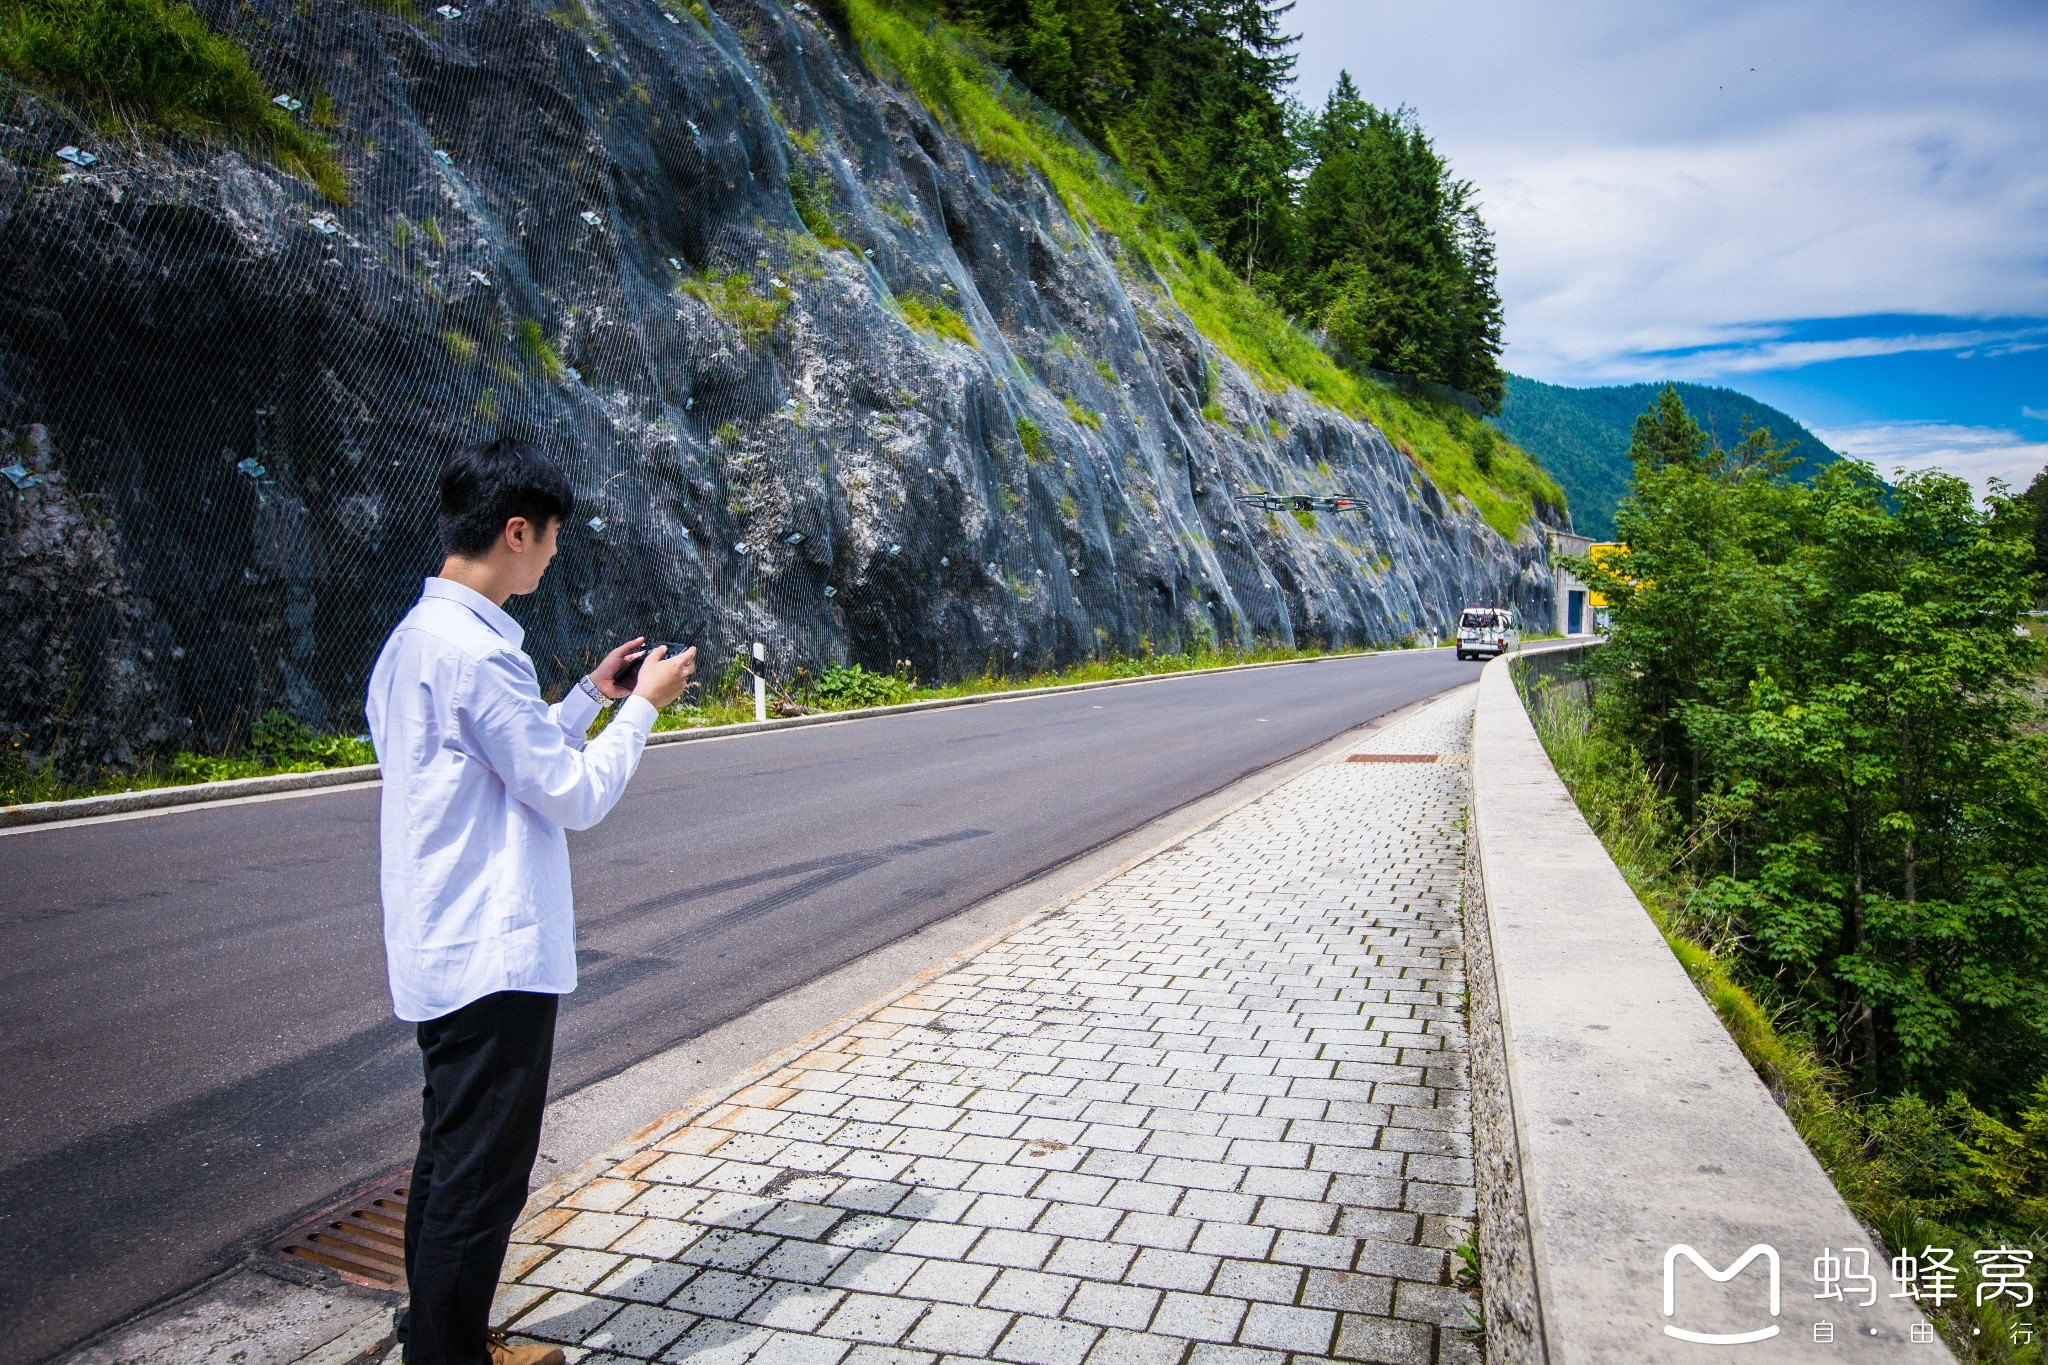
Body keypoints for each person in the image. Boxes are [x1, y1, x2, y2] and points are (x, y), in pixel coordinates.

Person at [365, 437, 695, 1365]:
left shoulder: (412, 644)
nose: (554, 555)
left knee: (446, 1159)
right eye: (551, 539)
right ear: (517, 532)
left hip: (441, 944)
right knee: (482, 1180)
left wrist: (589, 695)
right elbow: (574, 795)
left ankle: (434, 1333)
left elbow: (507, 769)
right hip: (493, 952)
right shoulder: (478, 658)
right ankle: (449, 1355)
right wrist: (645, 708)